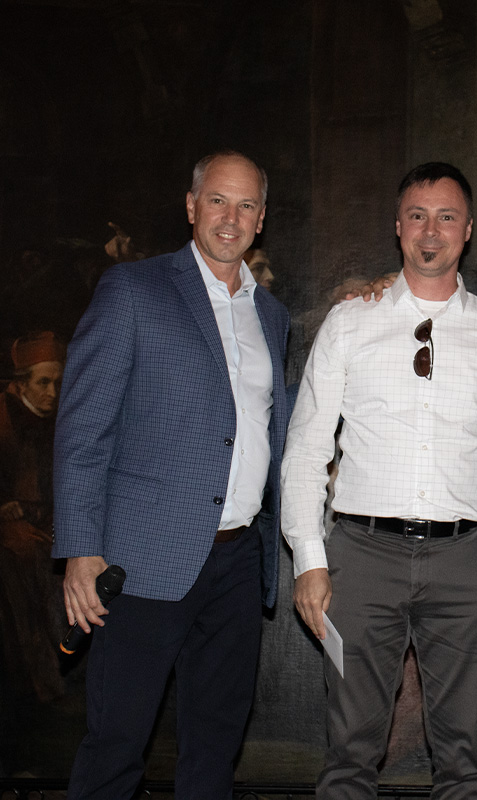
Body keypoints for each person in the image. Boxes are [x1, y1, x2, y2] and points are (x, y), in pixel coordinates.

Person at [281, 162, 477, 799]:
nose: (431, 230)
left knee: (464, 760)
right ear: (398, 226)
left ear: (467, 230)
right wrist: (309, 560)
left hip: (467, 564)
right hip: (360, 564)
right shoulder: (349, 323)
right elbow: (306, 449)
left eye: (446, 217)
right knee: (349, 754)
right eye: (418, 216)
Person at [51, 151, 290, 800]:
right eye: (218, 200)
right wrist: (80, 549)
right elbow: (83, 427)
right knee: (116, 745)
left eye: (246, 205)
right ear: (191, 206)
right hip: (141, 556)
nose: (230, 217)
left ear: (261, 219)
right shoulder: (133, 290)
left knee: (214, 750)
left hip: (238, 562)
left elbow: (264, 425)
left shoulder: (271, 315)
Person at [0, 331, 66, 703]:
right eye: (43, 383)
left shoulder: (60, 421)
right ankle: (39, 686)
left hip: (49, 523)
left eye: (58, 383)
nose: (52, 393)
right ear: (21, 383)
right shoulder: (3, 420)